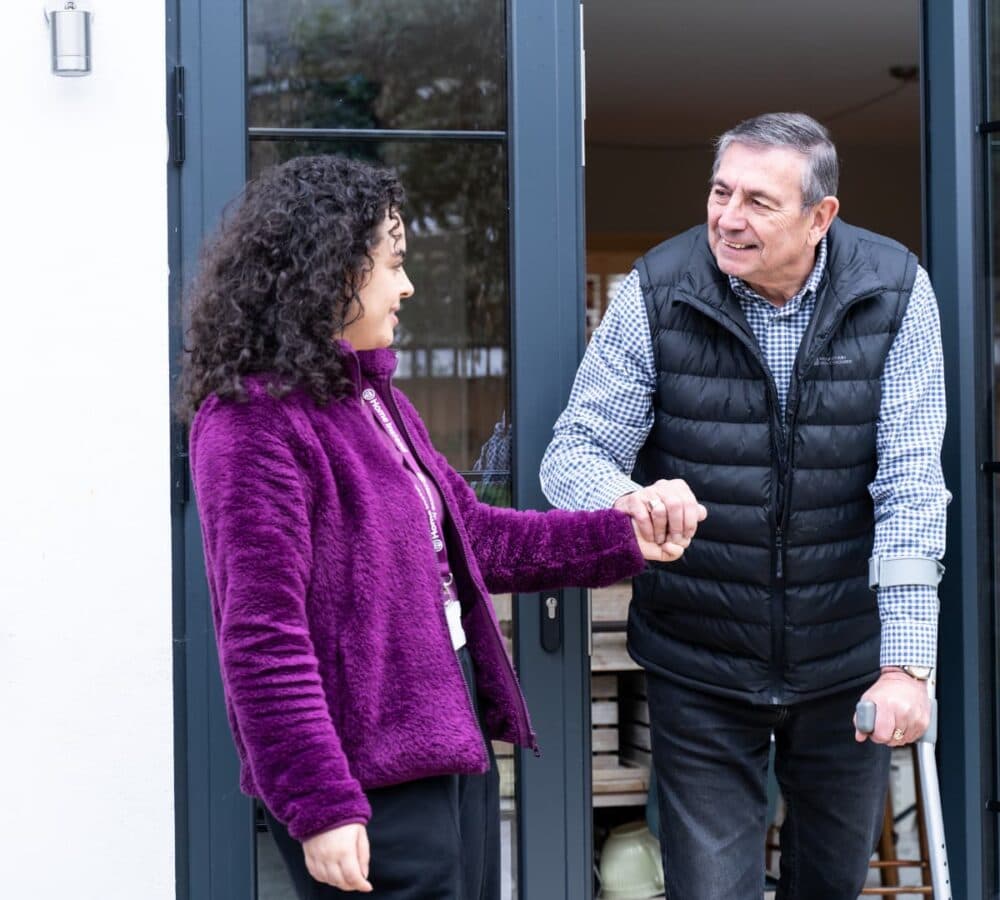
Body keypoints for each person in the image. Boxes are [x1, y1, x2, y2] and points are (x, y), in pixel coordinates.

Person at [177, 154, 679, 899]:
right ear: (330, 270)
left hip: (449, 745)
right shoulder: (251, 421)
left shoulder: (375, 400)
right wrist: (319, 805)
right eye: (393, 263)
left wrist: (618, 536)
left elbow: (473, 538)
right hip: (362, 781)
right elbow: (262, 635)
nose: (406, 286)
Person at [540, 112, 949, 899]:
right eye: (720, 191)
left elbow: (909, 483)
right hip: (701, 656)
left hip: (846, 660)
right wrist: (630, 498)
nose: (728, 217)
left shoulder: (895, 289)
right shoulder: (657, 291)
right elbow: (573, 455)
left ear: (820, 216)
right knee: (711, 889)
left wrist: (905, 665)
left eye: (759, 201)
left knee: (829, 883)